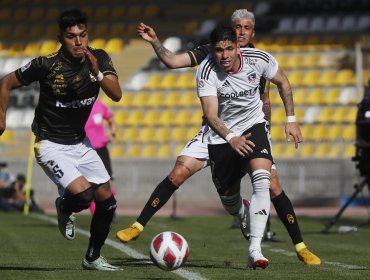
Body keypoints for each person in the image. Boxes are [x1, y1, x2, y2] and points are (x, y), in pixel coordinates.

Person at [116, 9, 321, 266]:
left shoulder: (259, 59)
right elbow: (200, 100)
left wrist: (282, 124)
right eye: (237, 27)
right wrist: (156, 42)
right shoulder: (208, 59)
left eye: (246, 29)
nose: (241, 33)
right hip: (216, 132)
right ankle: (141, 224)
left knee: (267, 180)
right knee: (197, 179)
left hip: (252, 127)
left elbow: (271, 94)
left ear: (246, 38)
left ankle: (284, 247)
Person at [0, 9, 122, 271]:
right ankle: (63, 206)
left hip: (82, 143)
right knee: (83, 197)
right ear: (61, 38)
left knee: (107, 202)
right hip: (50, 144)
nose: (78, 42)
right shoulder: (46, 64)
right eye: (71, 36)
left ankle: (92, 259)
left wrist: (98, 73)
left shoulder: (99, 58)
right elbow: (6, 82)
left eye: (83, 35)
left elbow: (117, 95)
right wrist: (1, 118)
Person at [85, 99, 117, 219]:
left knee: (107, 183)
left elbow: (112, 121)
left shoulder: (99, 105)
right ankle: (97, 214)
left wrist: (112, 134)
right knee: (90, 185)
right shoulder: (79, 105)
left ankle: (109, 209)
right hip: (87, 151)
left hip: (101, 150)